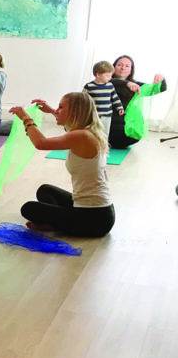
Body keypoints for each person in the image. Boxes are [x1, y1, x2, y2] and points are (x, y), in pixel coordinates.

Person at [10, 92, 115, 237]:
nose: (57, 110)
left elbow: (41, 143)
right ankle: (57, 222)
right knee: (45, 190)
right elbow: (68, 126)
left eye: (61, 107)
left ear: (75, 112)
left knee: (28, 208)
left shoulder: (82, 136)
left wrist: (26, 118)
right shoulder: (89, 131)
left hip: (94, 219)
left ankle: (57, 224)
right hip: (100, 211)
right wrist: (52, 111)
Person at [109, 55, 168, 149]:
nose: (123, 68)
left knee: (129, 136)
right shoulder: (104, 81)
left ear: (131, 70)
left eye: (127, 66)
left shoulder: (136, 86)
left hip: (123, 129)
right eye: (119, 65)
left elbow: (160, 89)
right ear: (113, 67)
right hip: (105, 125)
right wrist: (127, 83)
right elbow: (109, 81)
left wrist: (161, 79)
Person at [84, 61, 124, 134]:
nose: (110, 78)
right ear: (98, 75)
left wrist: (120, 108)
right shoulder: (89, 86)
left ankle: (103, 144)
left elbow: (115, 98)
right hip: (93, 115)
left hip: (107, 115)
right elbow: (83, 99)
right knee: (92, 132)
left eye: (111, 76)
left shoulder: (110, 86)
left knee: (105, 132)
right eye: (108, 76)